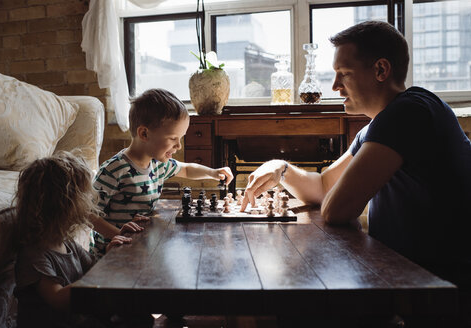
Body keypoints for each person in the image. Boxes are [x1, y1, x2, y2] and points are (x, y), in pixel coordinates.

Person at [241, 21, 471, 327]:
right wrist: (280, 169)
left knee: (283, 301)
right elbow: (323, 186)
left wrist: (337, 200)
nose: (335, 86)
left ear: (381, 70)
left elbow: (337, 209)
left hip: (438, 291)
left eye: (344, 74)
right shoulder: (376, 127)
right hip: (402, 277)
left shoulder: (409, 111)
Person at [92, 88, 233, 254]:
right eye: (173, 138)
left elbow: (187, 170)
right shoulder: (114, 169)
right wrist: (119, 234)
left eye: (180, 139)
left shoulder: (158, 165)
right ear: (144, 133)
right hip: (111, 253)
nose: (178, 146)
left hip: (141, 248)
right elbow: (86, 213)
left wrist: (213, 172)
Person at [13, 152, 132, 328]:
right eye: (83, 198)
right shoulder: (34, 256)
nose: (89, 204)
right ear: (62, 205)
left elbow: (93, 272)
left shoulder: (67, 244)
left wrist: (109, 256)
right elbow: (58, 299)